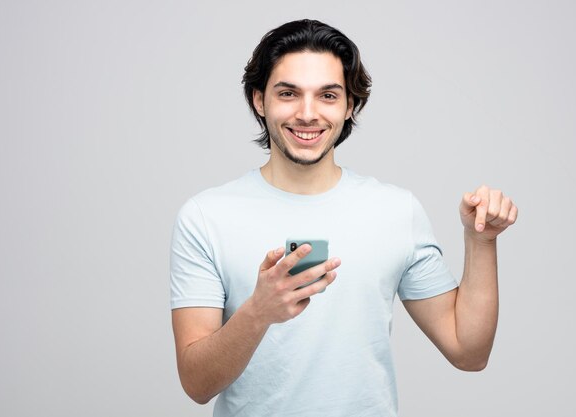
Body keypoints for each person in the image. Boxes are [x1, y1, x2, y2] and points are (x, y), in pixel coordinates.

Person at [170, 19, 518, 417]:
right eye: (288, 93)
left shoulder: (395, 212)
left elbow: (468, 352)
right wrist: (258, 312)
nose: (307, 113)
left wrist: (482, 241)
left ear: (350, 106)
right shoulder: (205, 217)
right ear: (259, 100)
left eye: (328, 96)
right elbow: (196, 385)